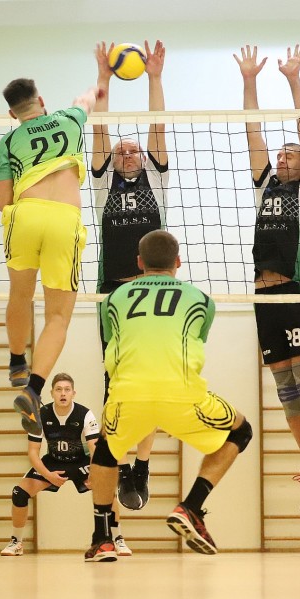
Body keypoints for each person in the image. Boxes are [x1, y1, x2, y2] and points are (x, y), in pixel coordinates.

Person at [84, 230, 253, 562]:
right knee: (241, 430)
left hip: (127, 395)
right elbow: (193, 342)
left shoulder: (113, 299)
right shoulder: (202, 301)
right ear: (178, 261)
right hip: (182, 396)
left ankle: (102, 539)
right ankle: (192, 506)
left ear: (139, 262)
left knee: (105, 449)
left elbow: (113, 345)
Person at [235, 44, 300, 511]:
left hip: (298, 292)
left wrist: (294, 80)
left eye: (290, 155)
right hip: (264, 297)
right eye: (280, 156)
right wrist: (249, 81)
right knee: (285, 388)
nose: (282, 159)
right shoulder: (266, 188)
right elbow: (252, 131)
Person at [0, 78, 102, 435]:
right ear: (41, 100)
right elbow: (86, 100)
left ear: (12, 114)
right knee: (57, 316)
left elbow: (3, 201)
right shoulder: (69, 119)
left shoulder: (8, 141)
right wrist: (98, 84)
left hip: (24, 216)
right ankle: (33, 389)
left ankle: (16, 363)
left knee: (20, 295)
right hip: (63, 220)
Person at [90, 40, 170, 510]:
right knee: (116, 385)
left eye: (133, 149)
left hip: (154, 294)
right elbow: (99, 130)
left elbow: (158, 126)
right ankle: (121, 465)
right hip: (113, 296)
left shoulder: (157, 181)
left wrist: (154, 78)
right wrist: (103, 78)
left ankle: (141, 467)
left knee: (153, 382)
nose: (126, 153)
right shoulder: (103, 186)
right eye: (120, 150)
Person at [1, 373, 131, 557]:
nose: (63, 393)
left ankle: (118, 540)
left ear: (73, 393)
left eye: (67, 390)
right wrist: (48, 475)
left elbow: (94, 448)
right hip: (54, 462)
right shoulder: (40, 415)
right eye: (59, 389)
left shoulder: (85, 414)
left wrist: (95, 474)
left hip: (81, 461)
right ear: (52, 393)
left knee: (106, 490)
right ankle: (16, 542)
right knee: (19, 493)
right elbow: (33, 453)